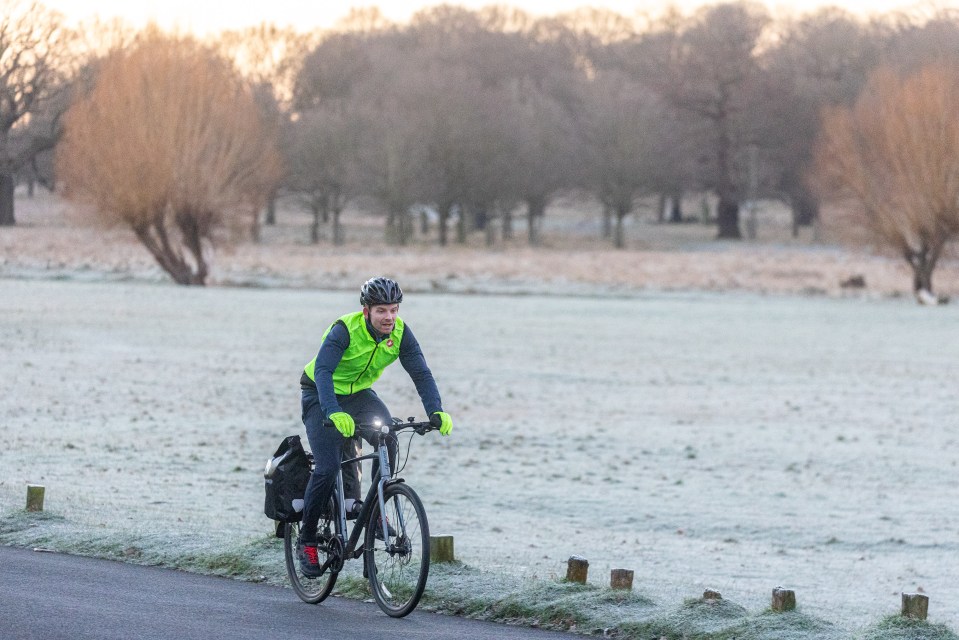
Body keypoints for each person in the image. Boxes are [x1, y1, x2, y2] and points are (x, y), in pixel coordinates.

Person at [297, 276, 453, 577]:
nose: (389, 317)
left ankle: (377, 512)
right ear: (366, 311)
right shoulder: (345, 330)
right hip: (319, 392)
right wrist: (332, 411)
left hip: (358, 396)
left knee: (388, 436)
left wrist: (436, 411)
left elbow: (421, 373)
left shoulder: (401, 333)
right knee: (328, 468)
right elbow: (324, 371)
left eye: (394, 310)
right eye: (382, 310)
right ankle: (307, 540)